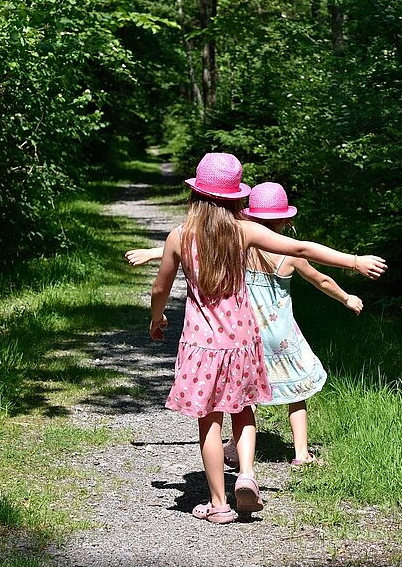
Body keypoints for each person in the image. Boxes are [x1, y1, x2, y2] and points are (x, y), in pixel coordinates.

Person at [144, 152, 387, 524]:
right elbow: (301, 249)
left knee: (209, 421)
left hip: (200, 344)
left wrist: (157, 318)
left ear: (196, 195)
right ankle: (246, 475)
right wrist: (354, 260)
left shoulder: (179, 236)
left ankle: (218, 504)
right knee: (242, 410)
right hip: (242, 339)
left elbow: (160, 288)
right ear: (237, 198)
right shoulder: (244, 231)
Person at [129, 181, 367, 469]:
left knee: (232, 403)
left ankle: (228, 469)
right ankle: (293, 455)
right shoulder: (264, 245)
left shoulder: (228, 241)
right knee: (294, 395)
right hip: (269, 336)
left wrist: (155, 254)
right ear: (286, 219)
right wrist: (351, 279)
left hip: (227, 335)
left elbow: (195, 244)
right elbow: (317, 272)